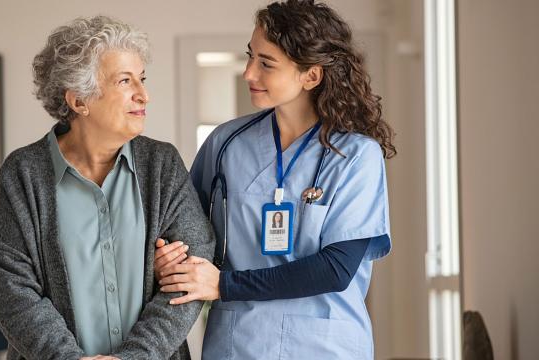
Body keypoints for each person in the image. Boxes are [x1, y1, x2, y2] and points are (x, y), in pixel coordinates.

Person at [153, 1, 395, 358]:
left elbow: (336, 268)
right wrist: (169, 257)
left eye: (266, 63)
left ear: (311, 76)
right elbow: (184, 232)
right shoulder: (225, 144)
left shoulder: (355, 156)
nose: (249, 73)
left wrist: (224, 284)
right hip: (238, 344)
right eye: (251, 57)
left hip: (324, 347)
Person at [0, 16, 214, 360]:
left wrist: (135, 357)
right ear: (79, 101)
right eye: (125, 80)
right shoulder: (23, 174)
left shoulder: (162, 164)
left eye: (142, 78)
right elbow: (13, 292)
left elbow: (191, 275)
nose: (144, 94)